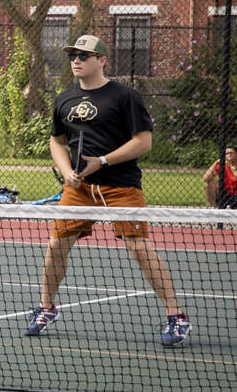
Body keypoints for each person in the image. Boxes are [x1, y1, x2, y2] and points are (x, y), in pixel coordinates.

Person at [30, 34, 190, 347]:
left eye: (84, 55)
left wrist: (101, 161)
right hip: (79, 190)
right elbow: (57, 141)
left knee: (140, 249)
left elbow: (143, 142)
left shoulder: (124, 96)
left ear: (102, 60)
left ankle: (176, 317)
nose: (77, 60)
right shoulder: (64, 99)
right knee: (56, 246)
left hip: (121, 186)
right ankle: (46, 308)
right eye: (73, 55)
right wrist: (67, 174)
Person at [204, 145, 237, 210]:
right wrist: (215, 164)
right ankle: (214, 207)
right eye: (227, 153)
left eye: (231, 153)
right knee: (210, 183)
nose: (229, 155)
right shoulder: (222, 165)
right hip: (224, 193)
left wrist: (232, 169)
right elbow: (206, 178)